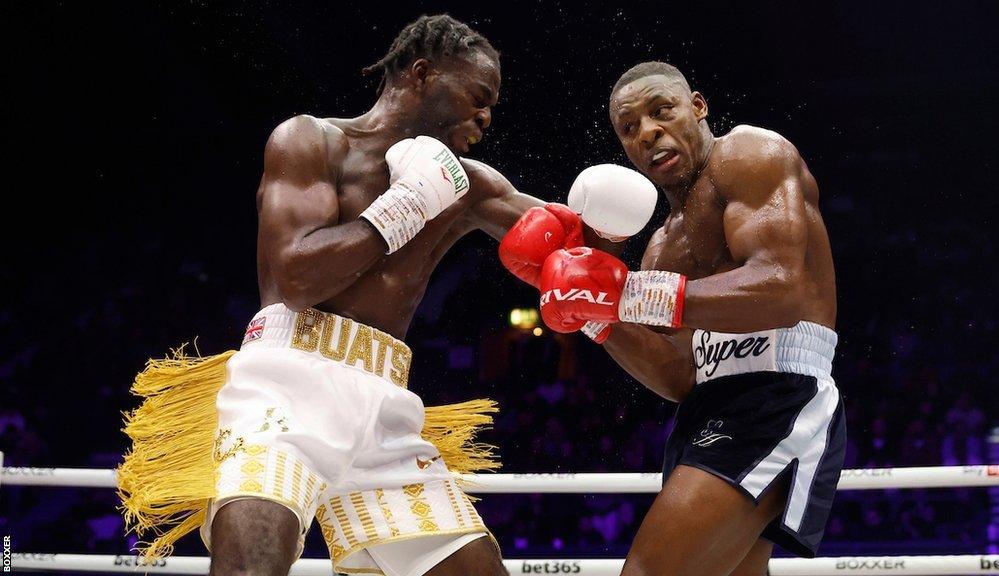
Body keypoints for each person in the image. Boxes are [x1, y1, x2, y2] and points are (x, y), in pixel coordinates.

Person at [119, 14, 553, 576]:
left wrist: (618, 218)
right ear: (421, 74)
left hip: (385, 411)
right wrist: (404, 208)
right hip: (283, 389)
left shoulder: (467, 185)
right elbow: (298, 280)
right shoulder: (311, 141)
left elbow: (566, 243)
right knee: (251, 563)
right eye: (478, 96)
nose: (486, 116)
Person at [503, 61, 846, 576]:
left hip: (778, 394)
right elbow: (677, 377)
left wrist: (627, 295)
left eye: (661, 111)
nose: (648, 132)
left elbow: (782, 287)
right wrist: (597, 316)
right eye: (629, 128)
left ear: (699, 107)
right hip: (708, 409)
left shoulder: (748, 153)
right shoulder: (661, 248)